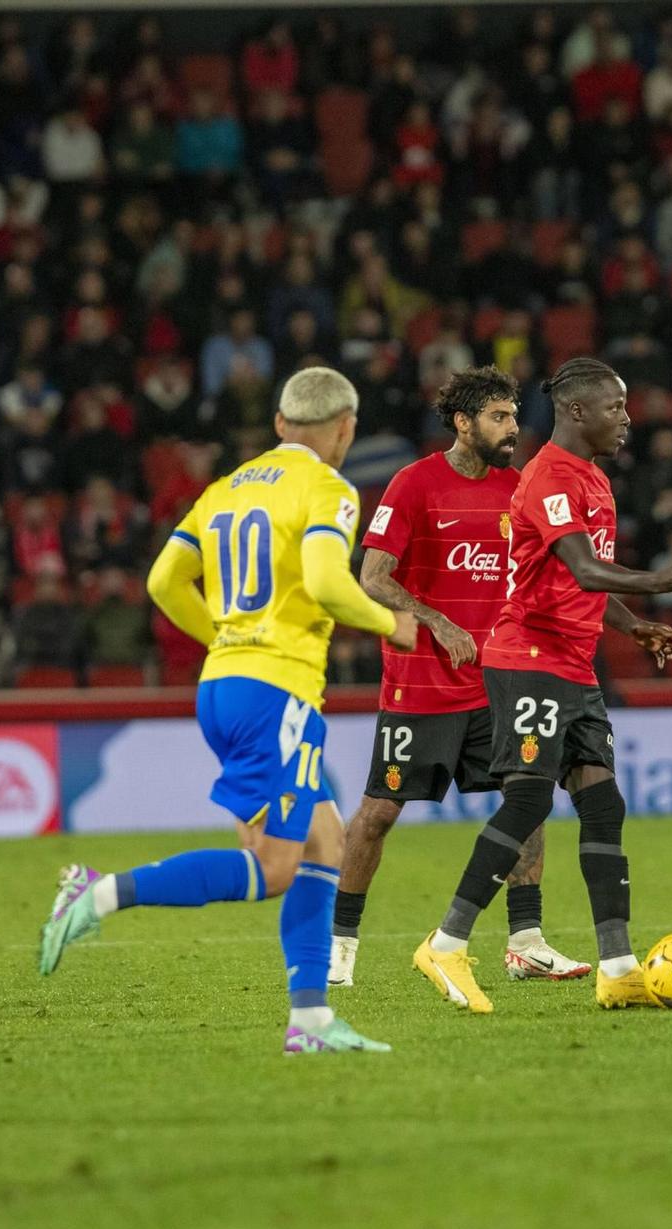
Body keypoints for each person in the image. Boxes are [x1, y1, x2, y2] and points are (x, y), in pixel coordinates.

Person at [38, 367, 420, 1056]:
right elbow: (332, 584)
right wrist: (392, 623)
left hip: (226, 684)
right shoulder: (329, 488)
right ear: (345, 428)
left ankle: (310, 1022)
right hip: (276, 692)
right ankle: (98, 894)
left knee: (326, 843)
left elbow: (163, 580)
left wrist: (224, 634)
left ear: (278, 424)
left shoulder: (224, 489)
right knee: (274, 866)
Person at [410, 358, 672, 1014]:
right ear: (578, 411)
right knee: (526, 802)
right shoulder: (549, 477)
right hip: (526, 657)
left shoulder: (592, 479)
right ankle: (445, 942)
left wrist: (636, 622)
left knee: (603, 806)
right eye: (616, 407)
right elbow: (583, 568)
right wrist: (663, 581)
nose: (628, 418)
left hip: (573, 665)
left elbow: (585, 576)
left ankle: (617, 967)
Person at [332, 368, 593, 987]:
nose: (511, 428)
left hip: (497, 680)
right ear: (463, 422)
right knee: (378, 813)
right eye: (499, 417)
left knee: (528, 798)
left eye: (512, 416)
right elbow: (373, 575)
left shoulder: (519, 489)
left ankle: (526, 942)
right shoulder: (415, 483)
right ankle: (339, 945)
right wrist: (436, 621)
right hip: (420, 684)